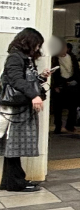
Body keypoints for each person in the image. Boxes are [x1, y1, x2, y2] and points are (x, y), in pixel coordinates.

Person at [0, 28, 51, 192]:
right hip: (15, 110)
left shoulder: (24, 58)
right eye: (36, 44)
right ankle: (15, 182)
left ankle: (12, 181)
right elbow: (16, 80)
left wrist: (42, 77)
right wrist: (34, 95)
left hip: (20, 108)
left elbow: (26, 80)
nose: (38, 48)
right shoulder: (15, 58)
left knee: (13, 146)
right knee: (13, 145)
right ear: (28, 42)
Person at [50, 39, 80, 134]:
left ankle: (70, 125)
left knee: (73, 107)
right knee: (58, 108)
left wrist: (76, 81)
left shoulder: (72, 58)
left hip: (71, 84)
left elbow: (77, 71)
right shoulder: (54, 59)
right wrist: (55, 86)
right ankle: (58, 126)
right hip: (60, 85)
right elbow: (52, 74)